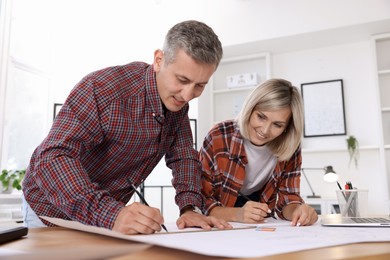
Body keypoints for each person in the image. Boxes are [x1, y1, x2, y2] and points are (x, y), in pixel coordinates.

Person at [22, 20, 232, 234]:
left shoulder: (177, 105)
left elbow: (183, 157)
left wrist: (190, 208)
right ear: (159, 60)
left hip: (103, 218)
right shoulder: (102, 89)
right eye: (182, 80)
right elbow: (51, 158)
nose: (188, 95)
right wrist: (112, 214)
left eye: (200, 86)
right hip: (51, 212)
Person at [199, 78, 318, 226]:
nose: (265, 130)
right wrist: (237, 213)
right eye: (261, 117)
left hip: (259, 222)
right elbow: (202, 202)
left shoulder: (290, 145)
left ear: (287, 127)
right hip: (223, 219)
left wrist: (298, 212)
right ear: (251, 109)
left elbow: (287, 199)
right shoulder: (219, 136)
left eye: (277, 125)